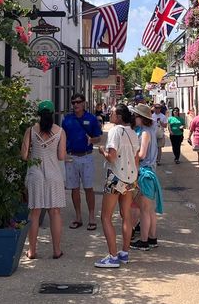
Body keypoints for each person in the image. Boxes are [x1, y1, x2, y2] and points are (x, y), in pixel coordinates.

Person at [94, 104, 140, 268]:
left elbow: (112, 157)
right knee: (126, 215)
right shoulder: (133, 133)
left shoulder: (115, 131)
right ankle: (124, 253)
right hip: (130, 178)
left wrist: (102, 151)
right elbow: (136, 159)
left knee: (106, 216)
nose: (110, 114)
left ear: (119, 116)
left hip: (116, 177)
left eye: (112, 113)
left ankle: (113, 256)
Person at [21, 100, 67, 260]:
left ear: (39, 114)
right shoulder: (60, 131)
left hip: (35, 174)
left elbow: (24, 155)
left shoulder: (30, 131)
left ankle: (32, 251)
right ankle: (56, 250)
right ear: (53, 113)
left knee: (35, 213)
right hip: (54, 175)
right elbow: (61, 156)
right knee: (55, 212)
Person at [61, 93, 103, 231]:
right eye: (73, 102)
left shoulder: (91, 119)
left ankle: (91, 217)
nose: (76, 105)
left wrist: (92, 140)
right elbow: (62, 138)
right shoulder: (67, 120)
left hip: (86, 157)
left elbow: (98, 138)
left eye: (78, 102)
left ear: (84, 103)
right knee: (74, 188)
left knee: (88, 188)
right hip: (71, 157)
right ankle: (78, 217)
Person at [131, 103, 160, 250]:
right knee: (149, 209)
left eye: (135, 116)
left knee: (144, 210)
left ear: (141, 118)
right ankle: (152, 238)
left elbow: (142, 154)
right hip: (150, 172)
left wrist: (131, 155)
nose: (134, 118)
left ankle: (144, 241)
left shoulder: (144, 133)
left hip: (144, 172)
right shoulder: (149, 131)